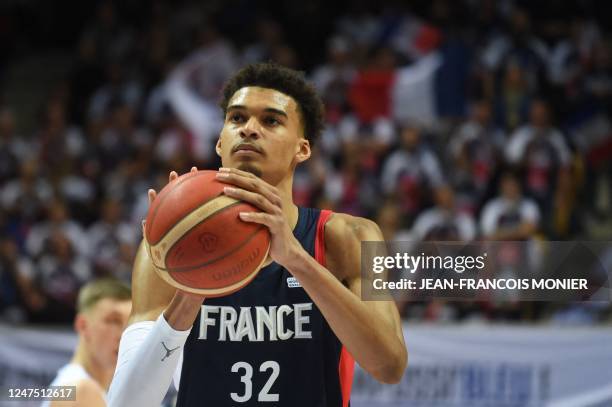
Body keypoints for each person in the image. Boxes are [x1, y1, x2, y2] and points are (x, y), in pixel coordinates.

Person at [108, 63, 407, 406]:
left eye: (271, 120)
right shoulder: (165, 252)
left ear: (302, 149)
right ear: (220, 142)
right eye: (237, 118)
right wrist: (190, 289)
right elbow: (125, 403)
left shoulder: (350, 236)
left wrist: (296, 259)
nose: (249, 129)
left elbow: (389, 366)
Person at [44, 278, 131, 407]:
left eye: (130, 323)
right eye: (114, 321)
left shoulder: (75, 385)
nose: (125, 334)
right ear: (83, 325)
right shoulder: (82, 391)